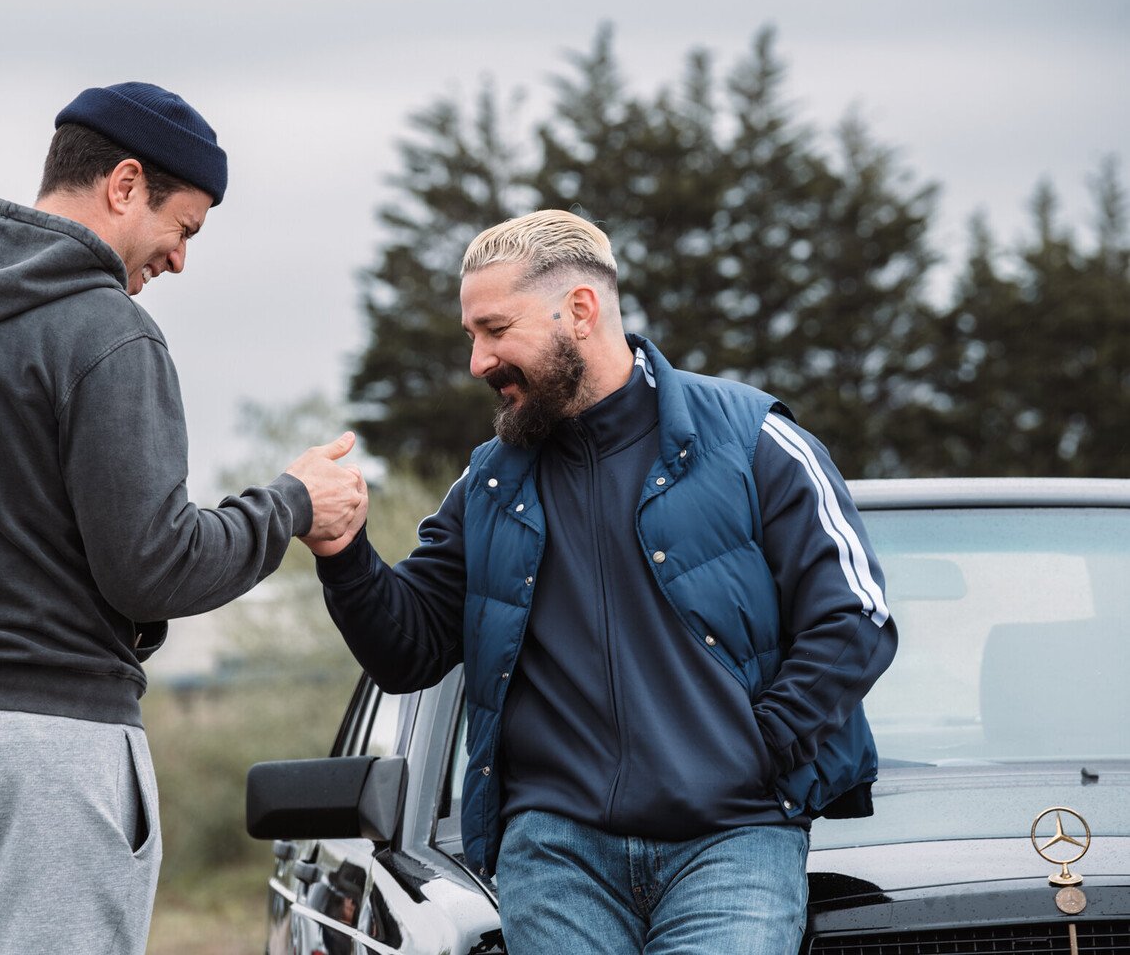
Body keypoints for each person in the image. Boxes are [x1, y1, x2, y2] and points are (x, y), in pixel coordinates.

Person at [0, 81, 365, 955]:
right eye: (184, 229)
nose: (179, 260)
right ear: (125, 184)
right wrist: (289, 503)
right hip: (49, 755)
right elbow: (154, 567)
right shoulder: (108, 332)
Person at [304, 210, 898, 953]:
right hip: (555, 857)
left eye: (495, 330)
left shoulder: (753, 440)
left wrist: (757, 749)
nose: (478, 361)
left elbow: (855, 617)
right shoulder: (489, 485)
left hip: (733, 840)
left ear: (580, 311)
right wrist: (343, 552)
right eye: (471, 337)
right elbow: (408, 651)